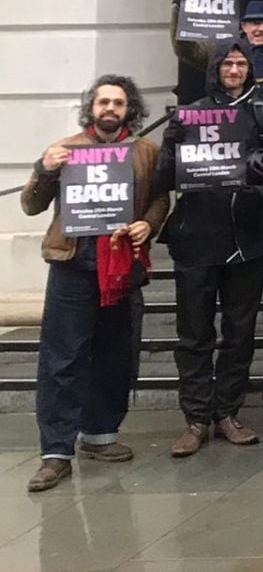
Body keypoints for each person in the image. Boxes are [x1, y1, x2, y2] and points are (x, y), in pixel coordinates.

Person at [23, 76, 169, 494]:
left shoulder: (146, 152)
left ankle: (101, 435)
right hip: (72, 264)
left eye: (118, 102)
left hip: (122, 266)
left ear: (129, 110)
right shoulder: (64, 149)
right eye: (103, 101)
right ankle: (55, 452)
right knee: (62, 361)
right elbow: (31, 205)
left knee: (114, 355)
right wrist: (43, 170)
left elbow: (161, 198)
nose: (110, 108)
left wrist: (149, 223)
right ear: (91, 108)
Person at [156, 42, 263, 458]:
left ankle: (227, 413)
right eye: (227, 63)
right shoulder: (191, 113)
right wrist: (171, 143)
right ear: (215, 69)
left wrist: (262, 189)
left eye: (240, 63)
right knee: (194, 333)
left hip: (246, 239)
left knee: (240, 332)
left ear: (249, 69)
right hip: (195, 237)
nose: (234, 69)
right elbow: (164, 179)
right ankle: (196, 419)